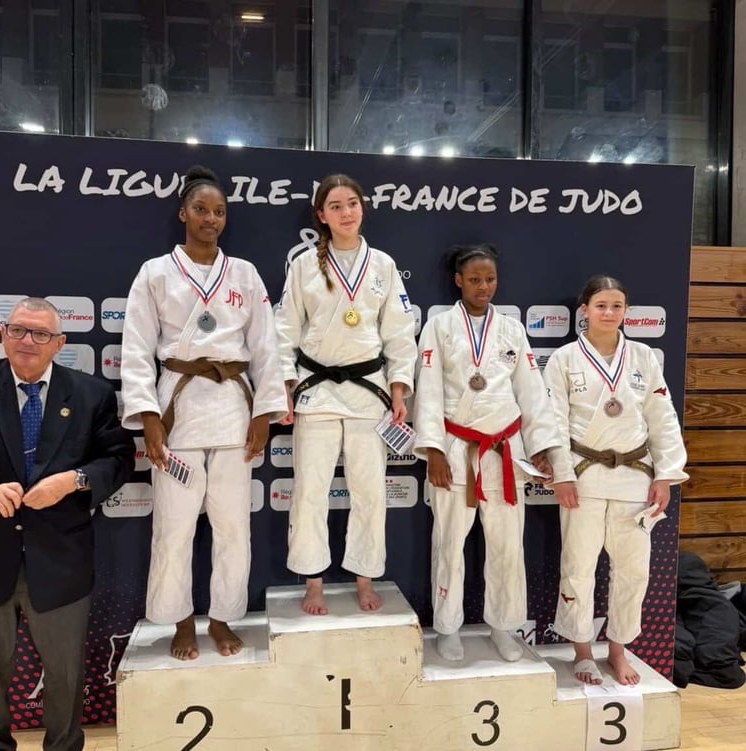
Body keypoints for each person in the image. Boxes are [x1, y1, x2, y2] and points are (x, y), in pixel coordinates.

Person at [120, 165, 287, 661]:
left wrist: (264, 410)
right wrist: (148, 416)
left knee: (234, 526)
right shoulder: (155, 272)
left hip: (234, 408)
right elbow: (137, 347)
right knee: (175, 526)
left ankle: (221, 617)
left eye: (219, 211)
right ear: (183, 214)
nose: (211, 218)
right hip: (179, 407)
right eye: (201, 209)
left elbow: (265, 345)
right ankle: (180, 620)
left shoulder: (245, 274)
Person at [0, 297, 134, 751]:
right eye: (18, 330)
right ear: (3, 335)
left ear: (59, 343)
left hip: (62, 562)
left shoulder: (91, 395)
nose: (27, 341)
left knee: (65, 676)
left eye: (40, 334)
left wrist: (74, 480)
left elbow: (118, 459)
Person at [413, 243, 567, 663]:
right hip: (456, 449)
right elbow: (428, 390)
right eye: (475, 279)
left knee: (507, 545)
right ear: (458, 281)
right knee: (449, 543)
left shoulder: (512, 330)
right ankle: (448, 627)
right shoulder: (439, 327)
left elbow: (531, 393)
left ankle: (503, 625)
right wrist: (433, 450)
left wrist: (540, 447)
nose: (484, 287)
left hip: (504, 451)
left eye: (490, 279)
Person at [274, 173, 417, 616]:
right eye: (335, 206)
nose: (345, 213)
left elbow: (399, 333)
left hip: (368, 393)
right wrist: (286, 387)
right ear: (321, 215)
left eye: (352, 203)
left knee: (369, 491)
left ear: (362, 208)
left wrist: (399, 390)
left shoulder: (383, 265)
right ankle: (313, 581)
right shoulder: (304, 265)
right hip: (316, 391)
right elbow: (285, 330)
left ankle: (364, 576)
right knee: (310, 491)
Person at [545, 274, 688, 685]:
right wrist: (562, 474)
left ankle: (619, 650)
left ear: (626, 311)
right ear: (584, 310)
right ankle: (582, 651)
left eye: (617, 306)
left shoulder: (643, 357)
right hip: (584, 476)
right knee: (579, 566)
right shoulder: (564, 359)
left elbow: (662, 419)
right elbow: (552, 422)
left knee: (633, 570)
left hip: (634, 477)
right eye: (601, 305)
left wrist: (665, 475)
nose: (609, 313)